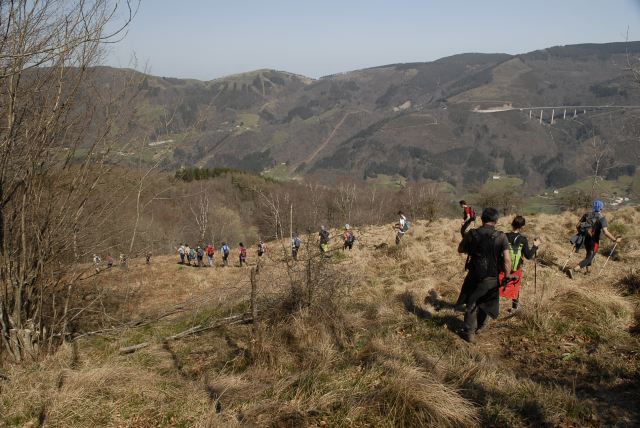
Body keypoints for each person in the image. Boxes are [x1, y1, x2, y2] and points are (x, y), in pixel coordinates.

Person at [456, 207, 514, 343]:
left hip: (474, 275)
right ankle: (480, 327)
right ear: (496, 220)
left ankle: (469, 333)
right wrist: (507, 275)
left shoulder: (472, 234)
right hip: (492, 276)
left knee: (472, 302)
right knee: (487, 301)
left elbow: (460, 249)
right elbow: (507, 260)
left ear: (482, 219)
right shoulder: (501, 237)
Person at [567, 200, 621, 278]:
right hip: (594, 241)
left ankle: (588, 271)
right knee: (590, 257)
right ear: (601, 208)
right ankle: (574, 270)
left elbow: (577, 226)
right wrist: (614, 240)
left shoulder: (586, 215)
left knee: (589, 254)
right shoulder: (602, 218)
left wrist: (581, 233)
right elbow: (605, 232)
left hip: (585, 239)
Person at [498, 215, 540, 313]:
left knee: (498, 285)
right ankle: (514, 308)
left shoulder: (504, 236)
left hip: (503, 266)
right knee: (515, 286)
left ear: (512, 224)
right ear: (522, 226)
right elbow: (528, 256)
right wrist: (535, 246)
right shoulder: (523, 239)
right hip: (516, 268)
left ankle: (494, 307)